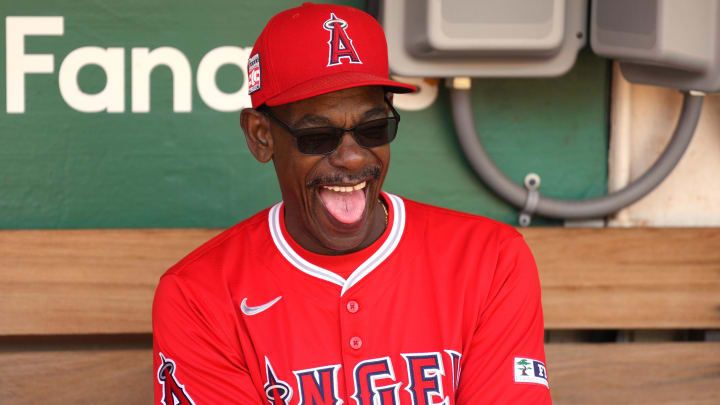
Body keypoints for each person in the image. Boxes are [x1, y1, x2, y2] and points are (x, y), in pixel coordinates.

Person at [153, 3, 551, 404]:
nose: (354, 157)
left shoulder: (489, 258)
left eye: (373, 129)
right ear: (261, 136)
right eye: (318, 136)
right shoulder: (198, 296)